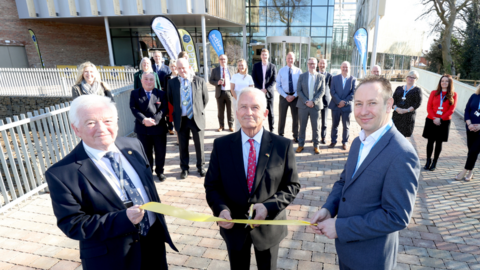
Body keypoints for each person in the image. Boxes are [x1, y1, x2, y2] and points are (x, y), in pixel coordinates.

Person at [45, 95, 177, 270]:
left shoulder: (134, 146)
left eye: (108, 120)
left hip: (154, 244)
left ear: (117, 122)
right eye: (91, 123)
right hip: (113, 259)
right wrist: (123, 219)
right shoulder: (61, 173)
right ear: (76, 129)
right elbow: (73, 225)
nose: (102, 129)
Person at [310, 76, 420, 270]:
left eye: (372, 103)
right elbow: (344, 182)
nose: (363, 111)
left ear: (389, 105)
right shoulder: (358, 141)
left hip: (371, 260)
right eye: (359, 104)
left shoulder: (402, 153)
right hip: (346, 253)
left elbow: (397, 216)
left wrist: (340, 227)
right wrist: (329, 209)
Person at [204, 88, 300, 270]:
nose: (249, 112)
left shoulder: (283, 146)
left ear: (265, 113)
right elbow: (212, 185)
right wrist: (220, 209)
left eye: (255, 107)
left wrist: (269, 207)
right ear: (236, 112)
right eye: (243, 107)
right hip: (234, 229)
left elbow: (292, 185)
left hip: (269, 228)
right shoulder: (221, 146)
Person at [167, 58, 209, 179]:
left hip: (196, 118)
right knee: (182, 146)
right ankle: (184, 168)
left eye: (183, 67)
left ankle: (201, 167)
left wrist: (196, 110)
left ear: (189, 67)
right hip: (181, 119)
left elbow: (205, 99)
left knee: (199, 145)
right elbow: (171, 99)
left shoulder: (199, 81)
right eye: (179, 68)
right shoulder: (172, 82)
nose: (181, 70)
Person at [129, 72, 168, 181]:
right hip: (143, 128)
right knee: (146, 152)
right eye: (146, 79)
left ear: (154, 81)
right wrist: (143, 120)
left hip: (158, 127)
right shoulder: (135, 93)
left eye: (151, 79)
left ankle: (160, 171)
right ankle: (148, 172)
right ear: (141, 81)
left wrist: (155, 119)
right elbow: (133, 108)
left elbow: (164, 108)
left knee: (160, 151)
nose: (149, 81)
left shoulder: (161, 93)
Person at [422, 74, 457, 171]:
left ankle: (434, 162)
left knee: (439, 143)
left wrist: (440, 119)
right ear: (440, 82)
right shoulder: (434, 93)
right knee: (430, 141)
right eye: (442, 81)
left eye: (446, 81)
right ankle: (428, 161)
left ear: (450, 83)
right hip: (431, 120)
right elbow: (429, 107)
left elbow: (451, 110)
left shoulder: (454, 95)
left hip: (444, 122)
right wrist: (434, 118)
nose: (444, 82)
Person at [296, 57, 325, 154]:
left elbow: (322, 91)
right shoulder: (302, 76)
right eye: (310, 63)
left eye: (313, 63)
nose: (312, 65)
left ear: (316, 65)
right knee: (302, 126)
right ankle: (301, 145)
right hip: (303, 106)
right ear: (307, 65)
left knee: (316, 127)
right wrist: (306, 101)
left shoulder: (321, 77)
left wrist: (313, 101)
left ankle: (316, 145)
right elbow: (299, 90)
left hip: (315, 106)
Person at [328, 61, 357, 150]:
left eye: (347, 67)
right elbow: (332, 91)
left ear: (350, 68)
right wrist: (339, 101)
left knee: (346, 126)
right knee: (334, 125)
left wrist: (344, 102)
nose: (345, 69)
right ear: (341, 68)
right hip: (336, 106)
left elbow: (354, 93)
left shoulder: (353, 79)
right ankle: (333, 141)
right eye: (343, 67)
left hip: (347, 107)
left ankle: (345, 142)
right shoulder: (334, 78)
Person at [276, 52, 302, 142]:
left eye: (292, 58)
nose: (290, 60)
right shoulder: (281, 71)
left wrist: (294, 96)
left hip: (295, 97)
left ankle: (296, 135)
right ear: (286, 59)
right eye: (288, 58)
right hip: (284, 96)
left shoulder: (299, 71)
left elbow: (300, 86)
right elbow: (278, 86)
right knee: (282, 116)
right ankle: (280, 134)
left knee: (295, 117)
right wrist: (286, 96)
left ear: (294, 59)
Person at [457, 85, 480, 181]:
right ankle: (471, 171)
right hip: (470, 128)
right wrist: (469, 123)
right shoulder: (474, 96)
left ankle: (465, 170)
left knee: (474, 150)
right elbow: (467, 110)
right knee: (471, 151)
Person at [252, 48, 277, 132]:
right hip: (258, 93)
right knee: (258, 111)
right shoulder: (256, 66)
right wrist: (260, 89)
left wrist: (266, 89)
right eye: (263, 55)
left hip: (269, 93)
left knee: (271, 113)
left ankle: (272, 130)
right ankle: (258, 129)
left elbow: (274, 80)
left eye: (266, 55)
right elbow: (254, 79)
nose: (264, 56)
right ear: (260, 56)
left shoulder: (273, 66)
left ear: (268, 56)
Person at [209, 54, 236, 132]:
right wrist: (217, 82)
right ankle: (221, 126)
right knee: (220, 111)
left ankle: (231, 126)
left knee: (230, 110)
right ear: (219, 60)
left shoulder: (232, 69)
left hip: (230, 92)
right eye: (221, 59)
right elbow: (211, 80)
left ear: (227, 60)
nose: (223, 61)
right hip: (220, 92)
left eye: (224, 59)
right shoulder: (215, 70)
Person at [392, 70, 422, 137]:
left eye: (413, 77)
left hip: (408, 117)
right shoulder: (399, 88)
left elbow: (417, 103)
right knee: (393, 135)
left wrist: (406, 110)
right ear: (406, 77)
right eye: (409, 76)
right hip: (397, 115)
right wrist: (397, 109)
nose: (410, 79)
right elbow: (393, 100)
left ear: (416, 79)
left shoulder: (417, 90)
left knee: (403, 137)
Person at [230, 58, 254, 131]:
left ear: (246, 66)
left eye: (242, 65)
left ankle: (246, 133)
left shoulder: (249, 77)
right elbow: (232, 89)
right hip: (236, 98)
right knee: (238, 118)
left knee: (246, 117)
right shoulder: (234, 76)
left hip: (247, 99)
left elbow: (251, 89)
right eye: (239, 65)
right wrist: (238, 99)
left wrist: (246, 99)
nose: (241, 67)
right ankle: (238, 135)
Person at [318, 58, 332, 144]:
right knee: (315, 121)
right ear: (318, 64)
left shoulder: (330, 76)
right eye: (321, 63)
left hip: (326, 102)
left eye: (324, 64)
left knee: (324, 121)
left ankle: (323, 137)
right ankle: (315, 136)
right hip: (316, 102)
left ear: (326, 65)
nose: (322, 65)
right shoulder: (315, 74)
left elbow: (332, 89)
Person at [164, 60, 178, 135]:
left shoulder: (180, 76)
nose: (173, 67)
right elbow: (165, 89)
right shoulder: (167, 77)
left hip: (179, 99)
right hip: (170, 99)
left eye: (175, 66)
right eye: (172, 66)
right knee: (170, 114)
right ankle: (170, 128)